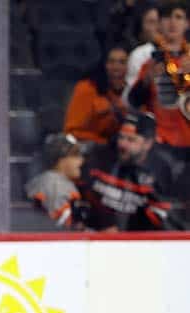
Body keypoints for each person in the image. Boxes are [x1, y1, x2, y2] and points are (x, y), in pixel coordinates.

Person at [78, 111, 179, 230]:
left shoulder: (161, 173)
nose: (122, 144)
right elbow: (80, 194)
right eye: (121, 137)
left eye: (131, 140)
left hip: (136, 243)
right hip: (89, 239)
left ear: (148, 143)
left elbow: (165, 223)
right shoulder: (99, 157)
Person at [127, 0, 190, 162]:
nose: (172, 22)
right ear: (159, 24)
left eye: (178, 17)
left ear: (187, 23)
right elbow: (133, 102)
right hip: (159, 141)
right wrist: (147, 79)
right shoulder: (150, 62)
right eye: (167, 17)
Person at [64, 45, 129, 145]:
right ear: (104, 65)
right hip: (91, 149)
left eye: (122, 62)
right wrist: (104, 142)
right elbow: (72, 132)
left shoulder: (133, 92)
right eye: (111, 62)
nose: (116, 67)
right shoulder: (86, 89)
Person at [24, 133, 85, 228]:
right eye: (75, 155)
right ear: (60, 159)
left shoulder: (46, 180)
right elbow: (60, 230)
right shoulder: (57, 186)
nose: (81, 160)